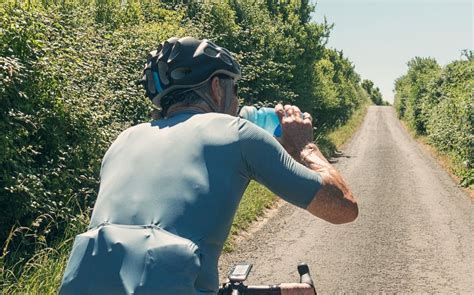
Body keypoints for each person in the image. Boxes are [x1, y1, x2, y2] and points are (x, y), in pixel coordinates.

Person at [59, 36, 358, 295]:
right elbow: (343, 208)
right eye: (235, 89)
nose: (238, 102)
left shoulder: (122, 141)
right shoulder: (238, 133)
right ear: (217, 87)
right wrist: (305, 146)